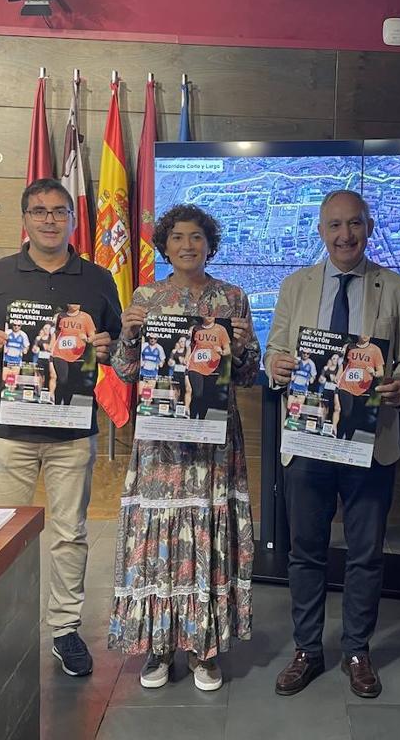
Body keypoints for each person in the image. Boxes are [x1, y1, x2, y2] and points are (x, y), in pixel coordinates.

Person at [0, 177, 121, 678]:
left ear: (73, 219)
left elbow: (114, 342)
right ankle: (9, 624)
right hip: (9, 429)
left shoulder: (97, 279)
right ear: (24, 219)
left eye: (58, 211)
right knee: (6, 535)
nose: (49, 219)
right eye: (39, 211)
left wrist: (106, 348)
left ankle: (66, 629)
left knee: (69, 533)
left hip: (72, 429)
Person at [265, 189, 400, 699]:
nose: (344, 235)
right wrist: (277, 366)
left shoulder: (396, 286)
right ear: (320, 230)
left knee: (365, 555)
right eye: (334, 225)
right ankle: (308, 650)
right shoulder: (296, 285)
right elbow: (276, 351)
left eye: (354, 224)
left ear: (369, 227)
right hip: (309, 441)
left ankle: (358, 650)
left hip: (369, 443)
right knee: (306, 552)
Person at [106, 203, 259, 693]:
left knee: (207, 535)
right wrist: (129, 338)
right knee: (161, 539)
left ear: (209, 244)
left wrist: (244, 348)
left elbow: (250, 377)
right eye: (177, 238)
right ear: (164, 245)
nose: (187, 246)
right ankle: (159, 645)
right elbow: (126, 373)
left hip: (213, 442)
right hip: (162, 446)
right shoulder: (146, 297)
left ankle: (203, 648)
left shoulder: (232, 298)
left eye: (196, 237)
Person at [187, 316, 232, 420]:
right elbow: (191, 346)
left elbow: (227, 350)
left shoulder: (221, 329)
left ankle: (201, 422)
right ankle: (192, 420)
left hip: (213, 368)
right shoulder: (196, 329)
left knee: (206, 397)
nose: (210, 316)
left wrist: (221, 352)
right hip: (195, 366)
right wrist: (187, 358)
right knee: (197, 394)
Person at [52, 303, 97, 406]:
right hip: (60, 353)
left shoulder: (86, 317)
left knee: (71, 383)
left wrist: (86, 339)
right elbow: (57, 333)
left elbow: (92, 337)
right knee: (62, 380)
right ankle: (56, 405)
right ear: (67, 304)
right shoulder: (61, 316)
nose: (75, 305)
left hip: (77, 355)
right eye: (72, 302)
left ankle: (66, 406)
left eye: (77, 303)